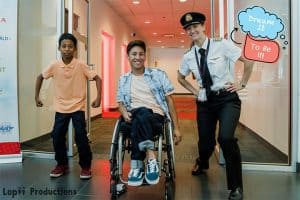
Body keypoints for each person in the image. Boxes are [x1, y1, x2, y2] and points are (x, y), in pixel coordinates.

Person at [177, 12, 254, 200]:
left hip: (227, 98)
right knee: (206, 143)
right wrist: (195, 91)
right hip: (205, 102)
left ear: (204, 27)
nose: (192, 30)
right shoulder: (189, 56)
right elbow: (180, 77)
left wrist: (242, 83)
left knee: (226, 138)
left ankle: (236, 187)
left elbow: (248, 61)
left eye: (195, 26)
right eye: (188, 28)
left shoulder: (221, 45)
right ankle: (202, 162)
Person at [35, 33, 102, 179]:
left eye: (70, 46)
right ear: (59, 48)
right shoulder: (54, 65)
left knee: (81, 137)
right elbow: (40, 77)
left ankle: (85, 167)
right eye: (64, 46)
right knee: (57, 136)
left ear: (75, 49)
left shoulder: (81, 64)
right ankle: (61, 164)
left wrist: (98, 98)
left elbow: (97, 79)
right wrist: (37, 97)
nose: (67, 49)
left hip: (78, 107)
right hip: (60, 107)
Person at [116, 40, 182, 186]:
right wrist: (124, 112)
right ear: (128, 56)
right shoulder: (124, 79)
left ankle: (137, 166)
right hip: (132, 118)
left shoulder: (158, 74)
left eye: (141, 54)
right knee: (140, 113)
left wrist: (176, 128)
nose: (137, 57)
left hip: (155, 117)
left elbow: (170, 101)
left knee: (143, 111)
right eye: (134, 54)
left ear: (145, 56)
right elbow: (120, 102)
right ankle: (151, 157)